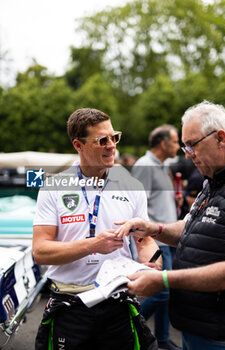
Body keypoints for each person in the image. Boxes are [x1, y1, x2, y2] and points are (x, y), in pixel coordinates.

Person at [32, 107, 159, 350]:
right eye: (102, 140)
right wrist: (93, 245)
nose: (111, 145)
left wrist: (152, 263)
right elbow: (40, 252)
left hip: (118, 305)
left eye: (114, 137)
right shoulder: (53, 188)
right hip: (70, 308)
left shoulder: (131, 185)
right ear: (78, 145)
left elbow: (145, 240)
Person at [116, 100, 225, 350]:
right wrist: (154, 228)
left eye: (192, 145)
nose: (187, 154)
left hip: (221, 336)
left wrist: (165, 280)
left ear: (221, 138)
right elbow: (189, 229)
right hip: (196, 328)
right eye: (184, 145)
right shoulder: (212, 182)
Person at [131, 125, 181, 350]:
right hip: (156, 242)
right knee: (162, 292)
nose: (179, 146)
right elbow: (136, 207)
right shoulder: (145, 166)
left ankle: (162, 340)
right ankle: (127, 324)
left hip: (168, 238)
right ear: (163, 143)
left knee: (165, 295)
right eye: (176, 141)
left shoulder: (163, 166)